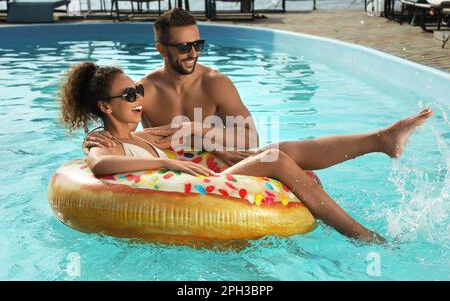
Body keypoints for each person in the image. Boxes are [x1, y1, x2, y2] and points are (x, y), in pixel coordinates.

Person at [60, 61, 434, 243]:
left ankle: (381, 139)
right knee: (274, 160)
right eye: (128, 95)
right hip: (200, 193)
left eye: (138, 91)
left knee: (277, 148)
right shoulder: (101, 140)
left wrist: (218, 149)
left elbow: (191, 137)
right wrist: (169, 161)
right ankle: (361, 234)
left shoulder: (147, 135)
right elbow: (103, 166)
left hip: (208, 179)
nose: (138, 98)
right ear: (105, 107)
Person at [83, 8, 258, 166]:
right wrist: (94, 140)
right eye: (184, 47)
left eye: (198, 45)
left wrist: (195, 127)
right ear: (162, 49)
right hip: (165, 176)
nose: (193, 53)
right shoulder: (145, 90)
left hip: (214, 164)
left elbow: (251, 138)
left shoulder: (216, 84)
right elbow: (123, 136)